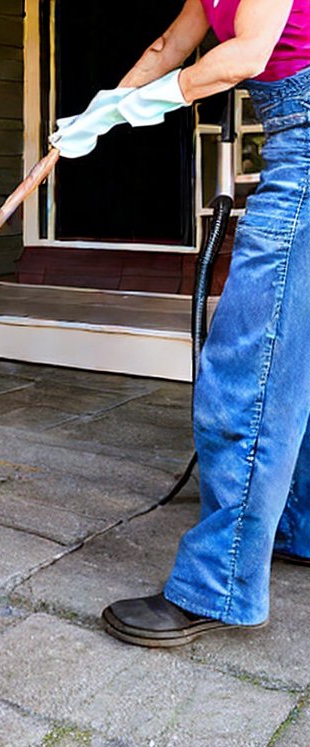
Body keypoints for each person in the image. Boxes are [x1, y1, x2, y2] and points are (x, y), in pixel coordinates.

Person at [51, 0, 310, 647]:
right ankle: (299, 526)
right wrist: (103, 110)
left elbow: (246, 56)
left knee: (250, 362)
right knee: (293, 355)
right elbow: (170, 45)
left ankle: (220, 583)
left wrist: (148, 103)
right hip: (296, 140)